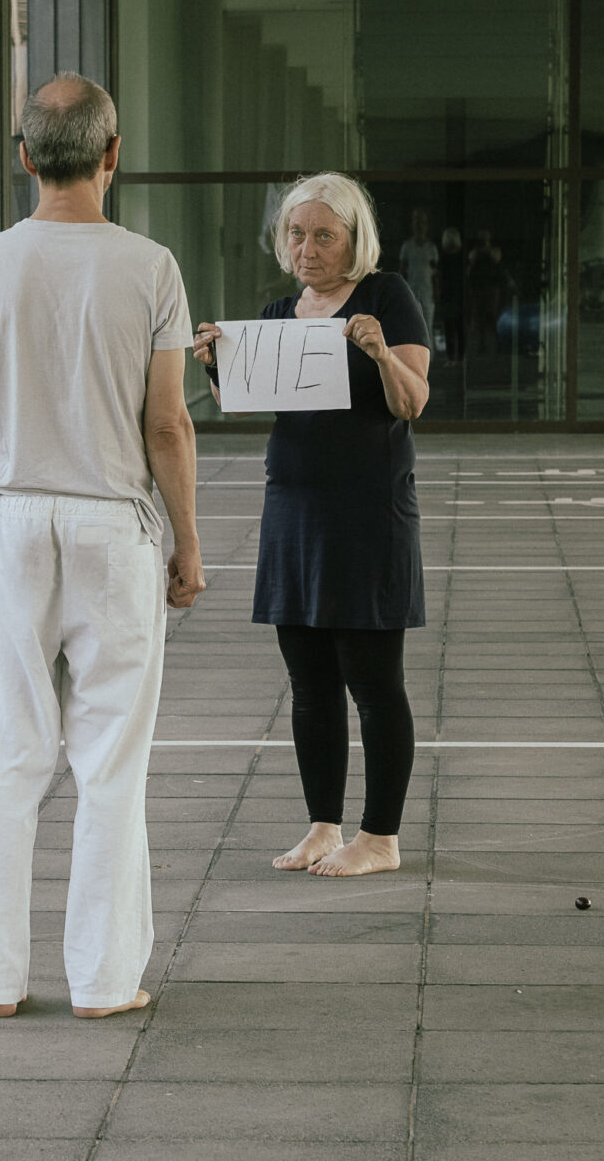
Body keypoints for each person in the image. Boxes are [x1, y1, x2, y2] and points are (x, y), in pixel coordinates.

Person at [0, 71, 205, 1019]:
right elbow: (167, 424)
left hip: (10, 520)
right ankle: (99, 980)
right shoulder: (151, 267)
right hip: (112, 524)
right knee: (109, 763)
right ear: (112, 154)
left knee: (8, 759)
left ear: (23, 158)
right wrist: (188, 542)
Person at [193, 171, 429, 878]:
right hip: (293, 511)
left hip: (367, 517)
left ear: (354, 240)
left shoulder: (387, 297)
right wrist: (214, 365)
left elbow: (413, 402)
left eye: (324, 235)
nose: (308, 247)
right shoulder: (275, 313)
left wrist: (380, 352)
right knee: (309, 682)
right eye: (297, 233)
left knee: (372, 680)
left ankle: (381, 839)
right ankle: (324, 826)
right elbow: (247, 404)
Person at [397, 207, 439, 336]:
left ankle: (430, 356)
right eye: (416, 221)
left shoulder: (431, 248)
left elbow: (436, 273)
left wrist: (437, 291)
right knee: (411, 326)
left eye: (422, 222)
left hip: (427, 293)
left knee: (428, 326)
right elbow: (402, 271)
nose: (419, 225)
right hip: (411, 292)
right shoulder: (407, 247)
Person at [437, 226, 465, 360]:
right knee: (455, 327)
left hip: (453, 295)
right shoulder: (453, 259)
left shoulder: (445, 259)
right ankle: (456, 357)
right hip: (453, 295)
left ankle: (454, 357)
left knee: (454, 326)